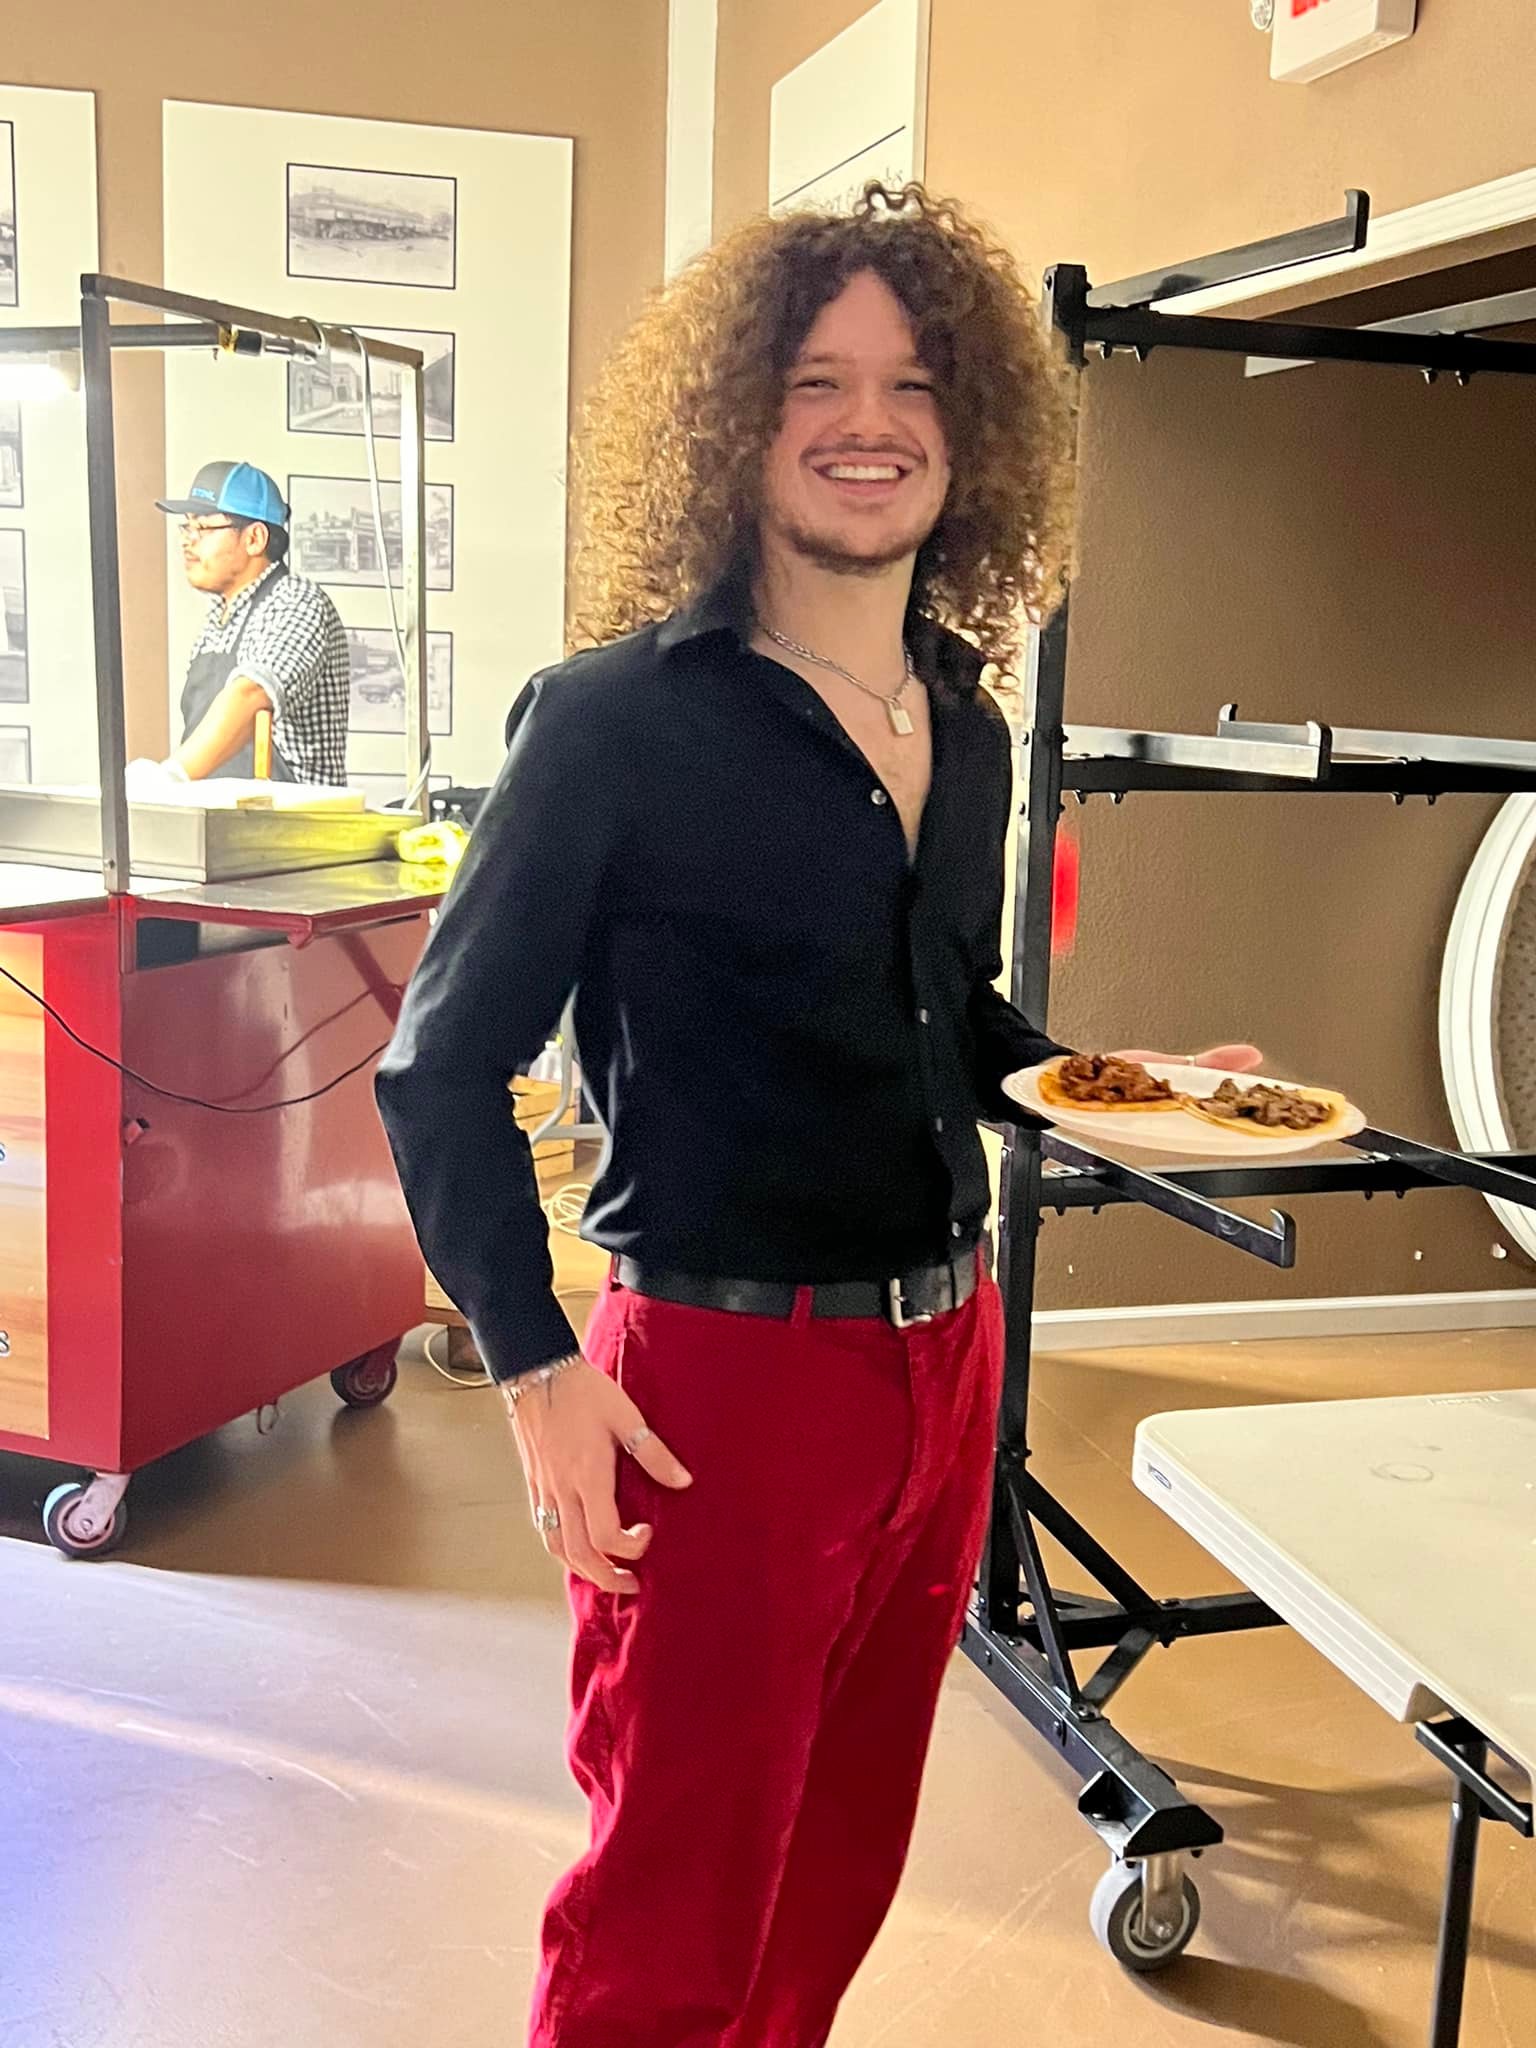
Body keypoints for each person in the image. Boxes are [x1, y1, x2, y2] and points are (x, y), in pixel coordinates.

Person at [376, 184, 1260, 2046]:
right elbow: (438, 1063)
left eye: (914, 382)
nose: (871, 421)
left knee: (841, 1860)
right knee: (674, 1903)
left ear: (973, 426)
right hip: (717, 1389)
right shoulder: (613, 723)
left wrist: (1137, 1090)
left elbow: (954, 1022)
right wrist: (535, 1368)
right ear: (737, 420)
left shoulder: (967, 723)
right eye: (817, 381)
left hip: (945, 1362)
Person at [138, 460, 349, 787]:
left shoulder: (296, 600)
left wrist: (170, 776)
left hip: (289, 817)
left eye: (202, 528)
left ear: (255, 538)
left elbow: (251, 693)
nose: (187, 541)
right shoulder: (216, 623)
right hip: (219, 815)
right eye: (186, 527)